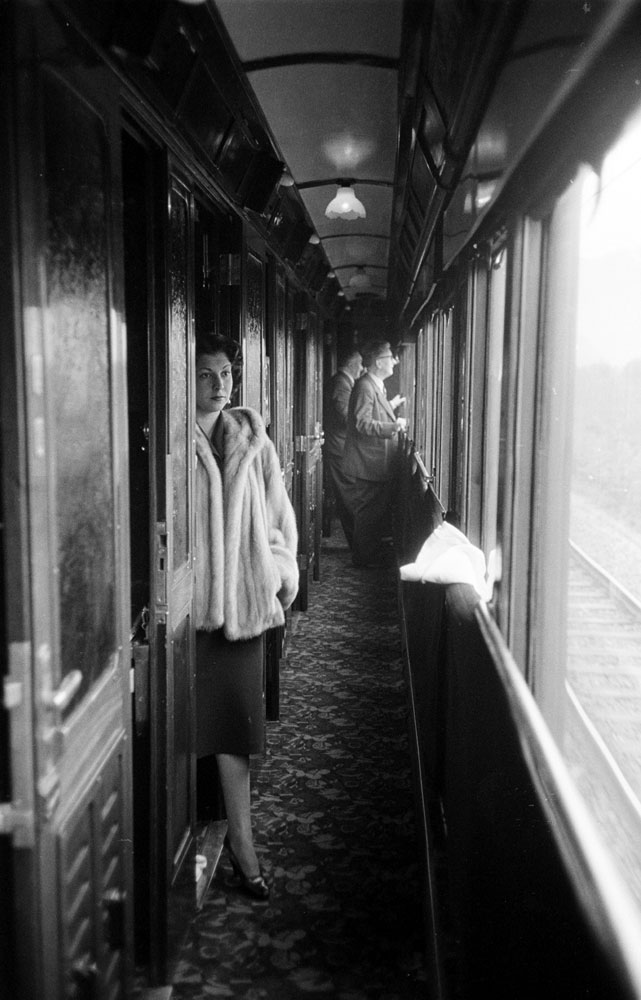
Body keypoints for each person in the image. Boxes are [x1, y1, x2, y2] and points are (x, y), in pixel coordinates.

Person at [194, 332, 298, 899]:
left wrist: (280, 572)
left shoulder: (252, 438)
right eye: (206, 374)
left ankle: (242, 843)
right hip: (190, 619)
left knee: (235, 734)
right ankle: (184, 846)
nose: (219, 385)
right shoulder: (170, 437)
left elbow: (280, 517)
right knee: (181, 732)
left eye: (226, 373)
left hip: (246, 612)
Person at [343, 339, 406, 568]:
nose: (395, 362)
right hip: (367, 463)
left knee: (372, 514)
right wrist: (394, 427)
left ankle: (368, 557)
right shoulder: (365, 386)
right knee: (367, 514)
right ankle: (363, 560)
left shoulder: (374, 385)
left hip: (375, 463)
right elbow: (362, 423)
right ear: (379, 362)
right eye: (391, 358)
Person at [323, 346, 363, 547]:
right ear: (352, 365)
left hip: (340, 447)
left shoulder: (344, 382)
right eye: (360, 364)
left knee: (349, 496)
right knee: (348, 497)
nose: (362, 368)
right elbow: (346, 416)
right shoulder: (341, 383)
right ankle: (357, 543)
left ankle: (357, 541)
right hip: (338, 448)